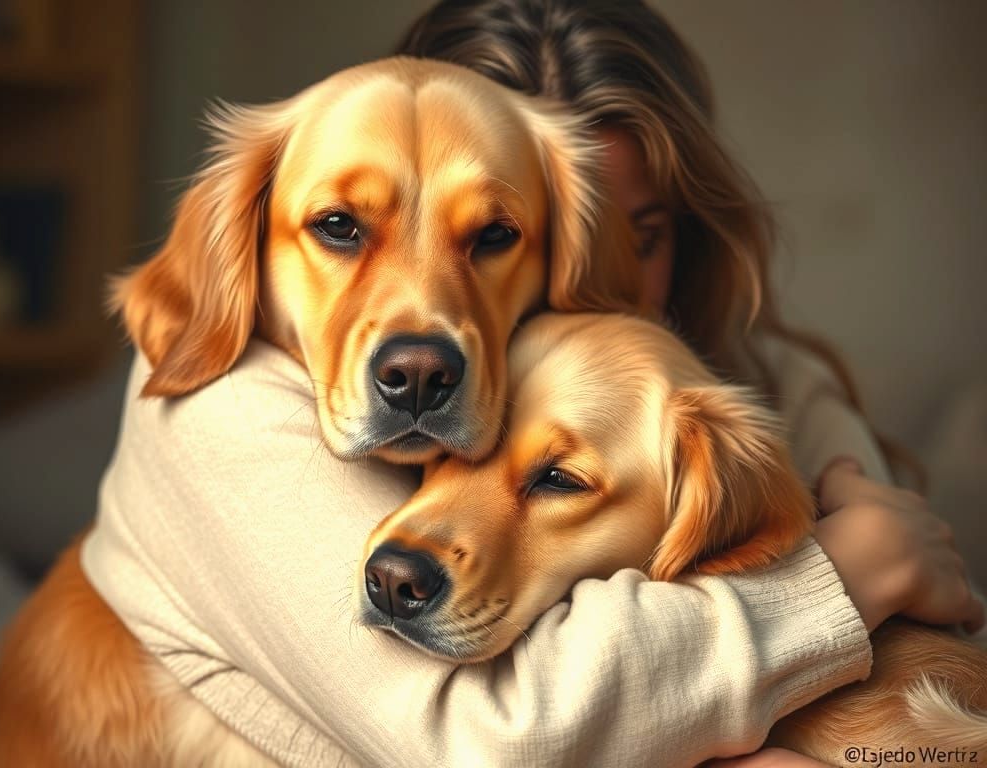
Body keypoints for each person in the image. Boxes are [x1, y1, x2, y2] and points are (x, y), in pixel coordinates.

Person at [79, 3, 982, 767]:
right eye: (344, 228)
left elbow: (918, 672)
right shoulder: (228, 407)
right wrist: (842, 577)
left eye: (648, 237)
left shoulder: (752, 376)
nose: (609, 299)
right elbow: (493, 736)